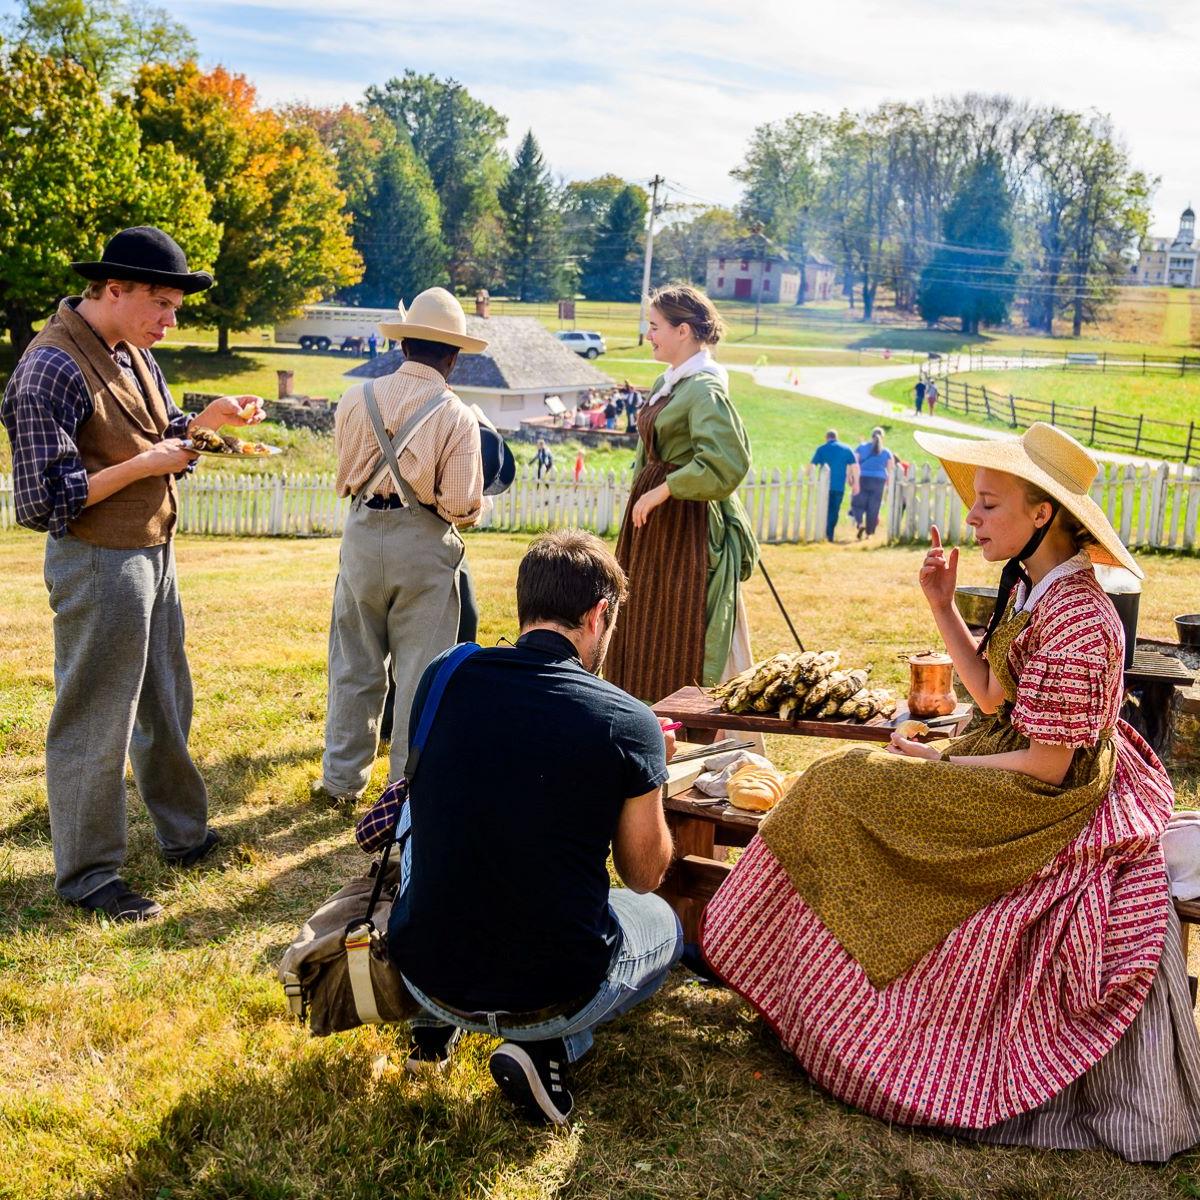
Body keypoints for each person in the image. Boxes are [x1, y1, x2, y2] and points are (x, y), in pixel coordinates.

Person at [703, 422, 1200, 1164]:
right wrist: (940, 602)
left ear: (1042, 515)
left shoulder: (1079, 620)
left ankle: (831, 1013)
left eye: (989, 504)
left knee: (837, 786)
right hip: (1017, 767)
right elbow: (994, 696)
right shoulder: (1038, 587)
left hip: (1041, 803)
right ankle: (800, 994)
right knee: (840, 787)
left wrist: (936, 771)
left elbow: (1047, 767)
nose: (972, 516)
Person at [0, 226, 266, 921]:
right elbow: (42, 500)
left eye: (176, 305)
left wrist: (203, 422)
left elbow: (158, 432)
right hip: (96, 560)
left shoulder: (133, 351)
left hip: (154, 549)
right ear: (111, 290)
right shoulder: (49, 367)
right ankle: (89, 878)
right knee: (95, 717)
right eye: (160, 303)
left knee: (165, 701)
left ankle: (184, 836)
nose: (171, 320)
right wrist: (149, 465)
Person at [389, 530, 683, 1125]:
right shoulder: (627, 719)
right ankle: (546, 1043)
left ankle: (436, 1025)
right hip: (556, 990)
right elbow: (645, 874)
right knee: (667, 925)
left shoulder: (444, 675)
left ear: (525, 606)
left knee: (432, 811)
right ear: (600, 614)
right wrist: (650, 778)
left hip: (425, 971)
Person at [315, 288, 488, 805]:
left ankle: (341, 779)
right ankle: (406, 787)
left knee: (353, 663)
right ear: (452, 357)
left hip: (363, 536)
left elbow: (344, 477)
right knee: (420, 673)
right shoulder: (456, 415)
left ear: (404, 344)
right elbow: (462, 506)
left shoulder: (355, 398)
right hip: (423, 545)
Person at [604, 286, 758, 703]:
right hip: (653, 530)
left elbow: (726, 462)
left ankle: (694, 733)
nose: (648, 334)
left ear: (684, 330)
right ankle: (638, 721)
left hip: (685, 531)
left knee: (677, 627)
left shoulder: (705, 389)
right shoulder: (668, 381)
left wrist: (663, 491)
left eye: (655, 327)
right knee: (641, 622)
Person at [810, 429, 859, 542]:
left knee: (824, 509)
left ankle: (823, 533)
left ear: (826, 437)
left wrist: (810, 478)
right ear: (836, 437)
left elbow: (812, 465)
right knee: (834, 510)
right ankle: (829, 534)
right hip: (838, 486)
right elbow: (855, 466)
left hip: (824, 486)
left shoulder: (821, 449)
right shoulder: (846, 449)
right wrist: (855, 482)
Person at [850, 426, 894, 539]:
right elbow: (890, 470)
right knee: (873, 507)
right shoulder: (887, 452)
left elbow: (854, 462)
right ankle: (869, 533)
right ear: (882, 437)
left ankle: (860, 524)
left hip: (862, 478)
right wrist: (888, 485)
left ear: (871, 436)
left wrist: (851, 477)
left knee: (857, 503)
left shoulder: (861, 447)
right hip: (879, 480)